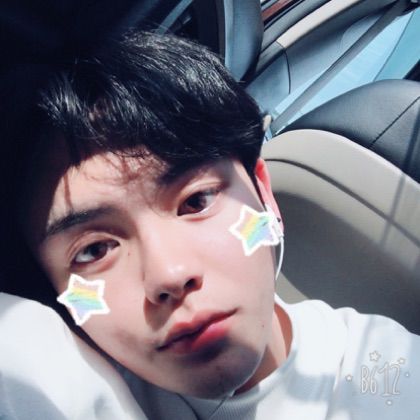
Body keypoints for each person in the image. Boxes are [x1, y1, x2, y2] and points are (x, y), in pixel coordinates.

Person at [1, 30, 419, 419]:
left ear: (264, 194)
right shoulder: (45, 385)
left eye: (197, 201)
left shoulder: (391, 372)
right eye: (94, 250)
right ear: (58, 297)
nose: (170, 274)